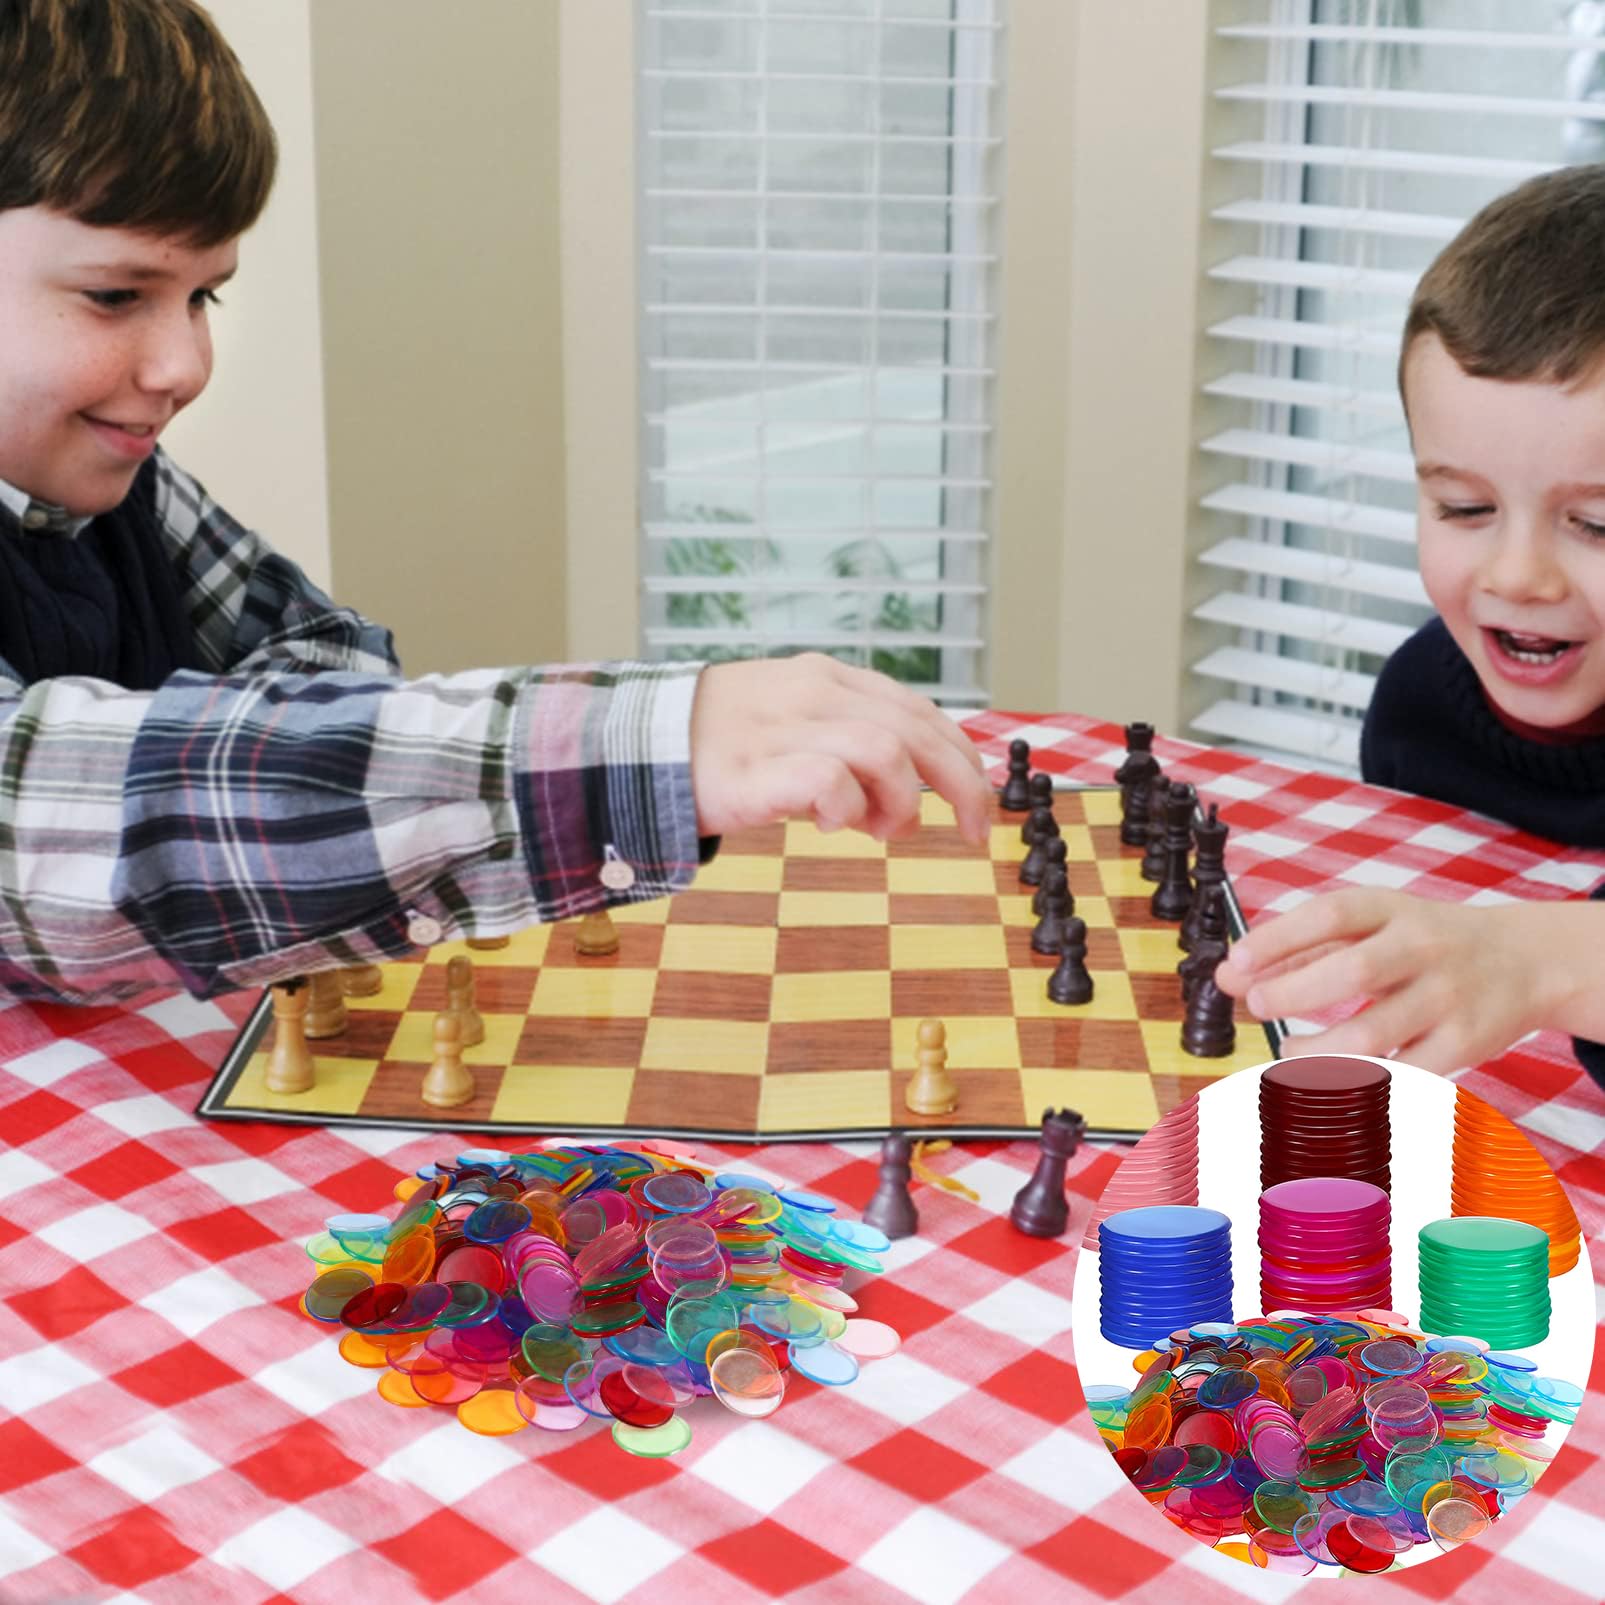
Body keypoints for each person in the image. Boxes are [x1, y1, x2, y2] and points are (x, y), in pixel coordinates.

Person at [0, 0, 990, 1006]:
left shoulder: (103, 489)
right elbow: (43, 824)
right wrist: (642, 747)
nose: (184, 365)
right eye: (115, 296)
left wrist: (246, 786)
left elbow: (330, 659)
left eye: (203, 297)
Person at [1215, 164, 1605, 1090]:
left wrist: (1543, 961)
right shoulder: (1419, 700)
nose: (1515, 575)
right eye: (1463, 508)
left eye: (1598, 523)